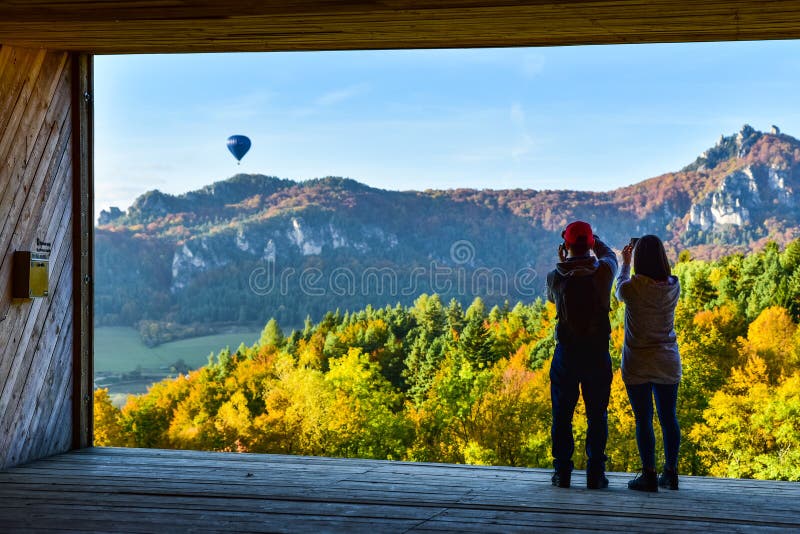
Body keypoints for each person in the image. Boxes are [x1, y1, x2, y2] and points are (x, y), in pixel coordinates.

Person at [546, 221, 617, 489]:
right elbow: (610, 255)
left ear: (565, 245)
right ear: (589, 244)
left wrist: (563, 259)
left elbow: (553, 301)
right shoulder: (605, 272)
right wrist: (594, 241)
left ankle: (562, 472)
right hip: (597, 353)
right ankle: (595, 474)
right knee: (597, 414)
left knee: (562, 415)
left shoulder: (555, 276)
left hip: (567, 353)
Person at [616, 235, 682, 492]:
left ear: (639, 260)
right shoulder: (673, 286)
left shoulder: (634, 288)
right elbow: (661, 275)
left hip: (638, 362)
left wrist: (625, 262)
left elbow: (618, 289)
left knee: (643, 419)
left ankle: (648, 474)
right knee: (669, 419)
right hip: (667, 360)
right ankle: (671, 473)